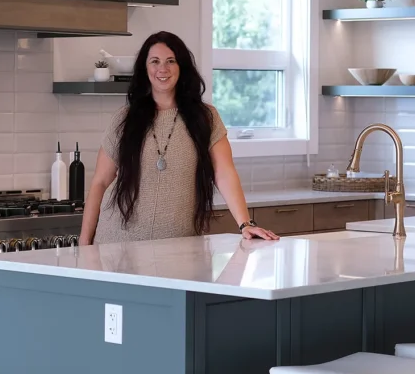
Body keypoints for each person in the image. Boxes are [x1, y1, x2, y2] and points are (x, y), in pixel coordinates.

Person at [79, 31, 279, 245]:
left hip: (178, 246)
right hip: (117, 243)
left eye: (171, 61)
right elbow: (100, 182)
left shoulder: (206, 118)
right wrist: (84, 242)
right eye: (154, 61)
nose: (162, 69)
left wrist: (245, 224)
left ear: (182, 67)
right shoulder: (124, 119)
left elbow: (224, 173)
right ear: (144, 69)